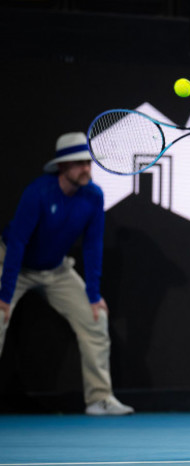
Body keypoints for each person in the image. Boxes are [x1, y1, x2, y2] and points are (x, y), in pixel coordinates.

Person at [0, 132, 134, 416]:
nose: (86, 168)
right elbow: (17, 243)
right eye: (78, 163)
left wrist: (94, 295)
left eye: (88, 162)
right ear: (62, 167)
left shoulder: (94, 195)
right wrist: (5, 294)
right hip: (14, 263)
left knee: (95, 316)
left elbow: (93, 244)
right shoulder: (38, 193)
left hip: (56, 268)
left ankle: (99, 398)